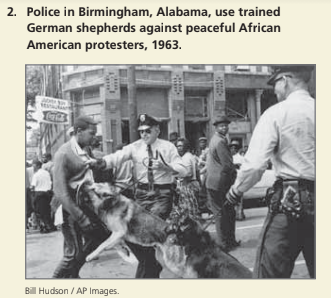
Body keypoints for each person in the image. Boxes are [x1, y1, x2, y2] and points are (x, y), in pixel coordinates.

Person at [225, 65, 315, 278]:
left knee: (270, 275)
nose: (274, 89)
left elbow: (255, 165)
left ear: (285, 79)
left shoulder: (277, 113)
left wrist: (235, 192)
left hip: (290, 199)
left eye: (275, 82)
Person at [98, 113, 188, 278]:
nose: (144, 135)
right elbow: (117, 157)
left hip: (161, 195)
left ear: (157, 130)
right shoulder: (135, 147)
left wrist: (166, 167)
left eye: (148, 131)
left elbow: (184, 170)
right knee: (138, 237)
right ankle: (151, 268)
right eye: (141, 132)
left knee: (148, 232)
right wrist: (101, 162)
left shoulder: (168, 147)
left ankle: (148, 271)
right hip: (141, 195)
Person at [52, 115, 110, 278]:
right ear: (79, 131)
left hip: (83, 204)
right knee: (72, 252)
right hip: (66, 208)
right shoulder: (63, 154)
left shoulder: (86, 149)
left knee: (101, 235)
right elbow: (60, 192)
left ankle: (72, 274)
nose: (95, 137)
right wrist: (81, 217)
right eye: (92, 133)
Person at [205, 115, 238, 251]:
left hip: (213, 181)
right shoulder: (220, 142)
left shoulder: (214, 139)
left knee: (226, 212)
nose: (224, 127)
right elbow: (227, 165)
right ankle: (224, 243)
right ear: (216, 127)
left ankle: (229, 241)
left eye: (226, 125)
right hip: (220, 182)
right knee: (221, 213)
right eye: (221, 126)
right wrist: (233, 178)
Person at [171, 137, 200, 220]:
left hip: (188, 186)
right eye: (177, 146)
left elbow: (188, 173)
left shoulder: (186, 157)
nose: (178, 148)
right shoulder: (188, 156)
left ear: (186, 146)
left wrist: (176, 175)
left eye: (181, 146)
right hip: (188, 185)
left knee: (188, 211)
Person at [30, 159, 56, 233]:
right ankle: (51, 226)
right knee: (47, 211)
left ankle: (45, 227)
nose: (33, 167)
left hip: (39, 194)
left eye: (33, 165)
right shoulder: (46, 173)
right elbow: (50, 182)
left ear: (38, 165)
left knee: (40, 212)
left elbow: (33, 186)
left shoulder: (36, 175)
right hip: (47, 194)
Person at [229, 140, 246, 221]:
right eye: (231, 148)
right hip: (231, 179)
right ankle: (235, 214)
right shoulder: (229, 158)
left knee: (239, 198)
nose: (233, 149)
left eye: (235, 148)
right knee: (232, 197)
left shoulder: (241, 158)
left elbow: (243, 169)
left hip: (238, 179)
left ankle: (239, 214)